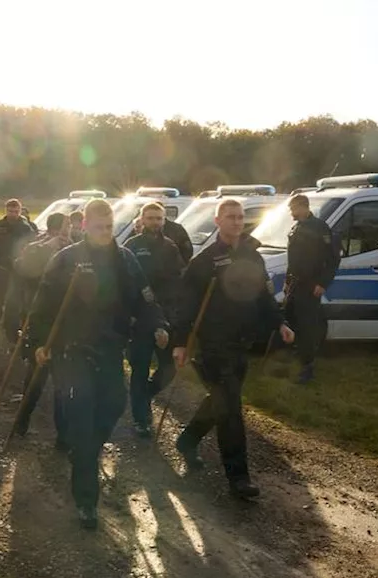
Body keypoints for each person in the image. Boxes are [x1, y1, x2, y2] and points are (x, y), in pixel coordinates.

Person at [29, 198, 167, 529]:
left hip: (109, 349)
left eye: (109, 226)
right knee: (80, 415)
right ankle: (86, 501)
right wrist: (38, 342)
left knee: (115, 405)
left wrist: (159, 323)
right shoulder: (66, 259)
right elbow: (43, 304)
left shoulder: (125, 259)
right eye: (98, 226)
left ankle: (85, 450)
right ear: (85, 226)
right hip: (72, 351)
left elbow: (144, 299)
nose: (105, 232)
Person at [171, 199, 294, 500]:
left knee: (221, 401)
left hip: (241, 343)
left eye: (240, 218)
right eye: (230, 217)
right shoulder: (203, 263)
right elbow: (185, 306)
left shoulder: (254, 257)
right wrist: (179, 342)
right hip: (212, 345)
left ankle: (187, 440)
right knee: (230, 410)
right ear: (217, 221)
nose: (237, 222)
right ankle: (238, 477)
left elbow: (265, 297)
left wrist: (280, 323)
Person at [123, 202, 185, 436]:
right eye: (150, 218)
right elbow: (124, 285)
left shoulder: (170, 247)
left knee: (168, 368)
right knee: (139, 369)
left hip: (166, 317)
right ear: (142, 220)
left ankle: (145, 395)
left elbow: (180, 279)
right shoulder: (131, 247)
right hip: (139, 319)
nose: (155, 223)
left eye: (159, 218)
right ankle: (142, 419)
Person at [12, 212, 74, 443]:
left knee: (64, 383)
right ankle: (21, 421)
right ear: (57, 228)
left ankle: (63, 435)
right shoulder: (37, 248)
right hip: (41, 320)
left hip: (67, 322)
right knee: (36, 378)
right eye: (68, 225)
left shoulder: (76, 251)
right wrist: (49, 248)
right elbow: (23, 269)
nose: (71, 229)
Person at [285, 194, 341, 383]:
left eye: (293, 208)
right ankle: (299, 356)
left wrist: (323, 283)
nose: (290, 212)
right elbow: (292, 259)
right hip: (295, 284)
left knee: (307, 325)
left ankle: (307, 367)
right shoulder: (297, 227)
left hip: (310, 286)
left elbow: (332, 260)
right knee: (293, 321)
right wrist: (287, 281)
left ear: (303, 207)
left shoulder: (320, 228)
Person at [0, 199, 37, 345]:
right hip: (0, 271)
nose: (13, 214)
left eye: (16, 211)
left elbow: (34, 247)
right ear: (6, 210)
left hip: (17, 273)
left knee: (14, 305)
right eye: (10, 211)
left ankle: (11, 336)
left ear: (20, 210)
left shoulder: (26, 228)